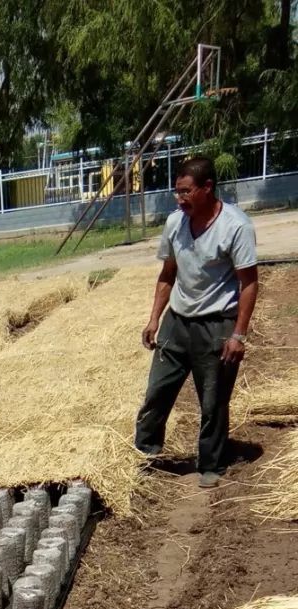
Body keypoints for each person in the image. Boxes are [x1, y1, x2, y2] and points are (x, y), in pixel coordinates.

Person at [134, 156, 259, 488]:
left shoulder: (236, 226)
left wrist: (238, 334)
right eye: (177, 192)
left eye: (186, 192)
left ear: (207, 188)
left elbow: (249, 283)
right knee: (157, 391)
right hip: (178, 321)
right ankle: (146, 451)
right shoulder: (175, 223)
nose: (179, 199)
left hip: (217, 323)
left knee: (213, 399)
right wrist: (154, 319)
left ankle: (211, 464)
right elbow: (168, 274)